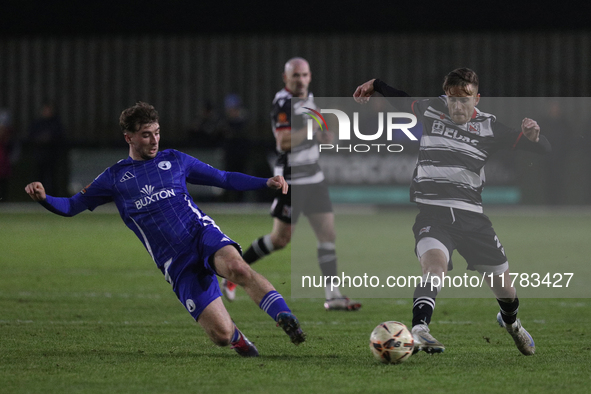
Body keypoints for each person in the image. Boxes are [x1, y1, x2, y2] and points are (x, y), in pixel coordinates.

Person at [25, 101, 305, 357]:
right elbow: (72, 206)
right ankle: (239, 340)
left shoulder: (175, 160)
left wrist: (264, 182)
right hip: (175, 261)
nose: (154, 139)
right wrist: (44, 199)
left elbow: (224, 178)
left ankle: (285, 317)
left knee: (239, 269)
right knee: (220, 336)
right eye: (146, 134)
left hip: (200, 235)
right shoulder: (114, 178)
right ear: (129, 138)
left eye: (157, 132)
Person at [353, 68, 551, 355]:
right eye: (452, 99)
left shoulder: (491, 127)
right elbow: (402, 99)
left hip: (473, 220)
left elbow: (543, 149)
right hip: (434, 216)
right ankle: (420, 329)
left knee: (506, 292)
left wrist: (534, 137)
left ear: (477, 98)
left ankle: (512, 325)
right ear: (445, 96)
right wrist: (376, 84)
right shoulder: (432, 108)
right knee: (434, 268)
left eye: (465, 99)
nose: (458, 105)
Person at [222, 57, 362, 311]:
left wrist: (324, 136)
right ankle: (234, 272)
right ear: (286, 78)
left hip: (314, 177)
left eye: (304, 75)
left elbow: (312, 133)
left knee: (327, 234)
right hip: (293, 179)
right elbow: (283, 142)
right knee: (280, 239)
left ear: (310, 76)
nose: (301, 80)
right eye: (295, 75)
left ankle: (333, 296)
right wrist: (312, 130)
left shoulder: (309, 100)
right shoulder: (283, 103)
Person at [27, 101, 65, 195]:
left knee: (52, 178)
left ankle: (51, 196)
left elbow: (60, 137)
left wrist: (49, 139)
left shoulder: (56, 123)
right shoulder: (37, 123)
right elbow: (31, 136)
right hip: (40, 155)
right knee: (39, 176)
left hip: (52, 155)